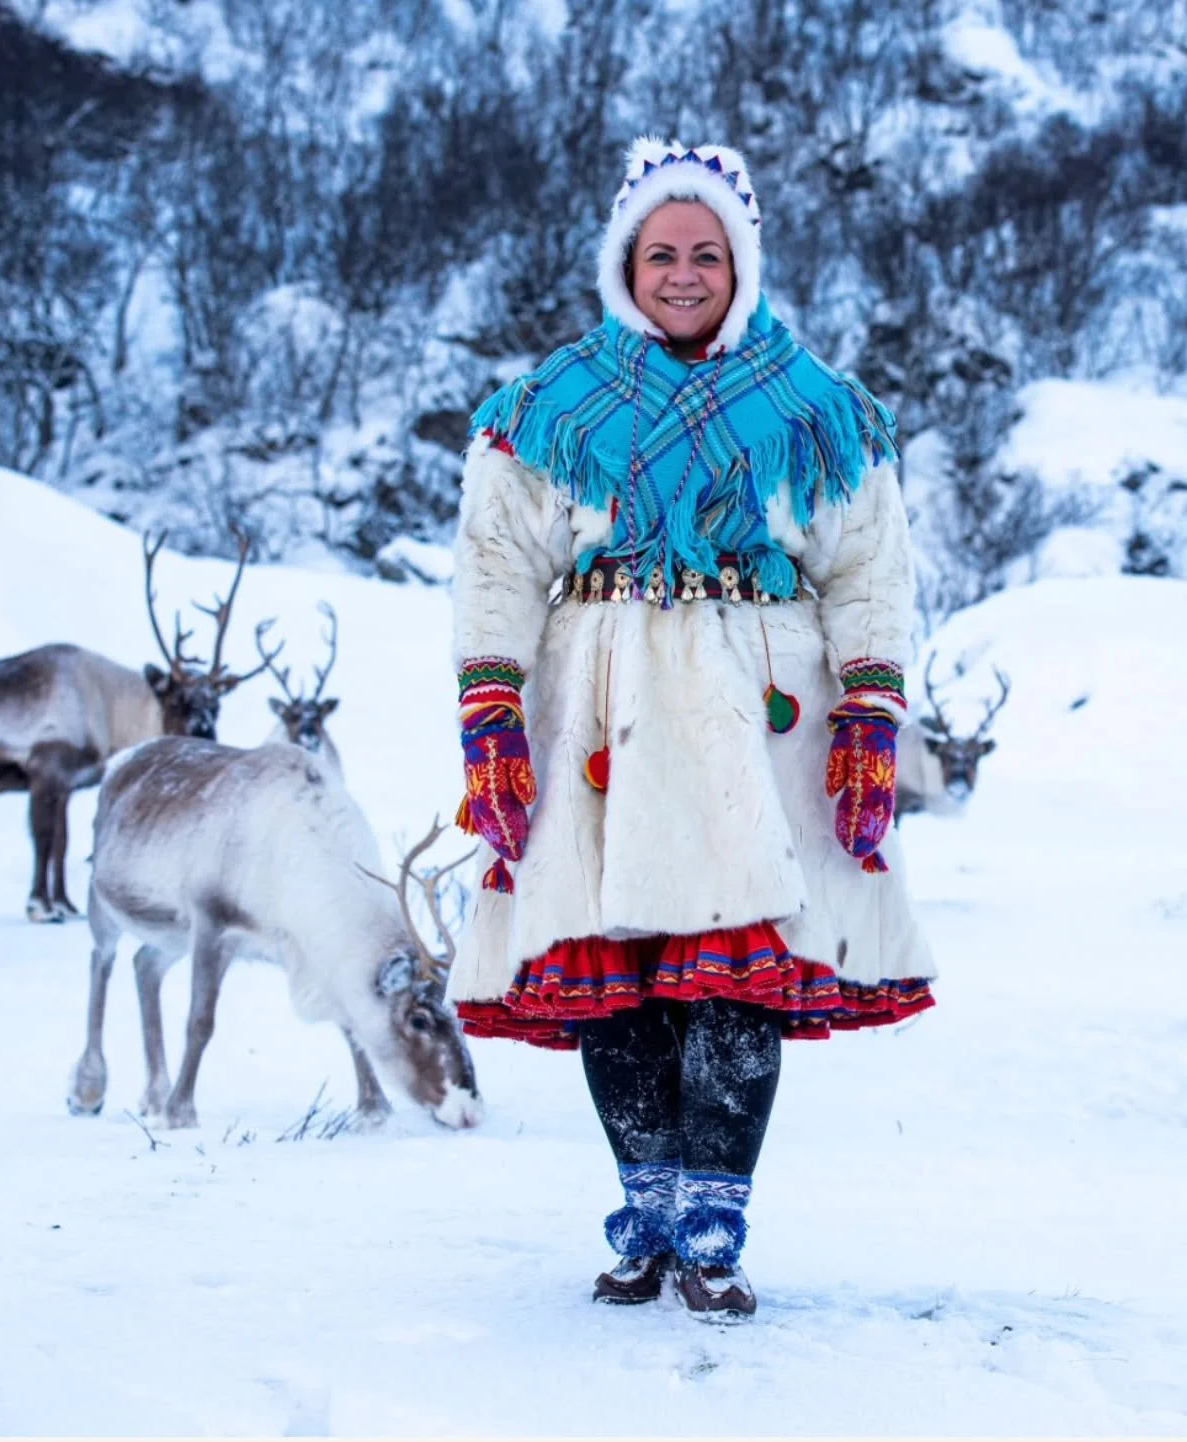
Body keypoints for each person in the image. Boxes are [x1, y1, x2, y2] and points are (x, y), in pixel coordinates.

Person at [446, 136, 936, 1322]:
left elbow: (868, 565)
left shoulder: (820, 411)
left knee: (733, 983)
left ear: (742, 262)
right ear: (625, 262)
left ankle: (715, 1222)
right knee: (612, 979)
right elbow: (498, 565)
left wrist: (869, 705)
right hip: (600, 710)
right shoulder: (545, 411)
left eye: (705, 251)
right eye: (660, 251)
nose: (681, 271)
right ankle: (647, 1204)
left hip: (757, 717)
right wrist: (491, 709)